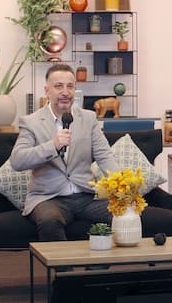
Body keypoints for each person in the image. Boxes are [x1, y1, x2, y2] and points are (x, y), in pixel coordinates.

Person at [10, 63, 119, 242]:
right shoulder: (31, 122)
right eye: (58, 86)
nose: (65, 92)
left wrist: (123, 185)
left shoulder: (88, 118)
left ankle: (104, 260)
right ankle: (61, 262)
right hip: (49, 198)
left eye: (70, 86)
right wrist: (52, 146)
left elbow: (104, 156)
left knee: (123, 212)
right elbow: (17, 160)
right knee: (49, 220)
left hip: (87, 196)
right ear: (47, 91)